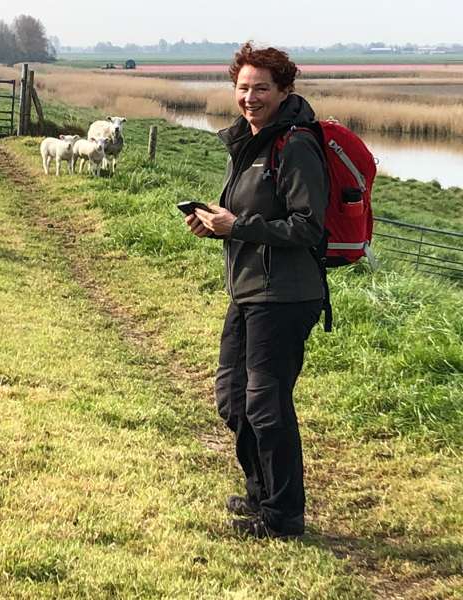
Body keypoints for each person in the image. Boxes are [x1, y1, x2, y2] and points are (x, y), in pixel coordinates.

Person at [185, 42, 328, 539]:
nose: (250, 97)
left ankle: (283, 517)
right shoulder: (249, 141)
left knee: (266, 405)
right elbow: (247, 219)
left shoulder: (296, 145)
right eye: (243, 88)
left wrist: (239, 225)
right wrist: (216, 225)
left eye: (261, 88)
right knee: (232, 399)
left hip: (286, 295)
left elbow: (310, 227)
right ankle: (260, 495)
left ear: (284, 90)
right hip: (248, 291)